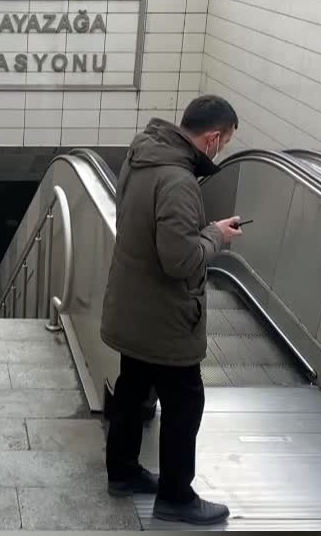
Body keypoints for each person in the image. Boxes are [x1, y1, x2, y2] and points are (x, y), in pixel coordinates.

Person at [99, 95, 243, 525]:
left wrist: (197, 232)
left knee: (132, 387)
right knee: (186, 401)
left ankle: (122, 472)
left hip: (132, 305)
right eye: (225, 142)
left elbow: (147, 232)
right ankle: (177, 496)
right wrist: (215, 235)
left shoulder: (141, 157)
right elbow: (179, 260)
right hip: (166, 318)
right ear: (213, 137)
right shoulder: (179, 180)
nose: (221, 150)